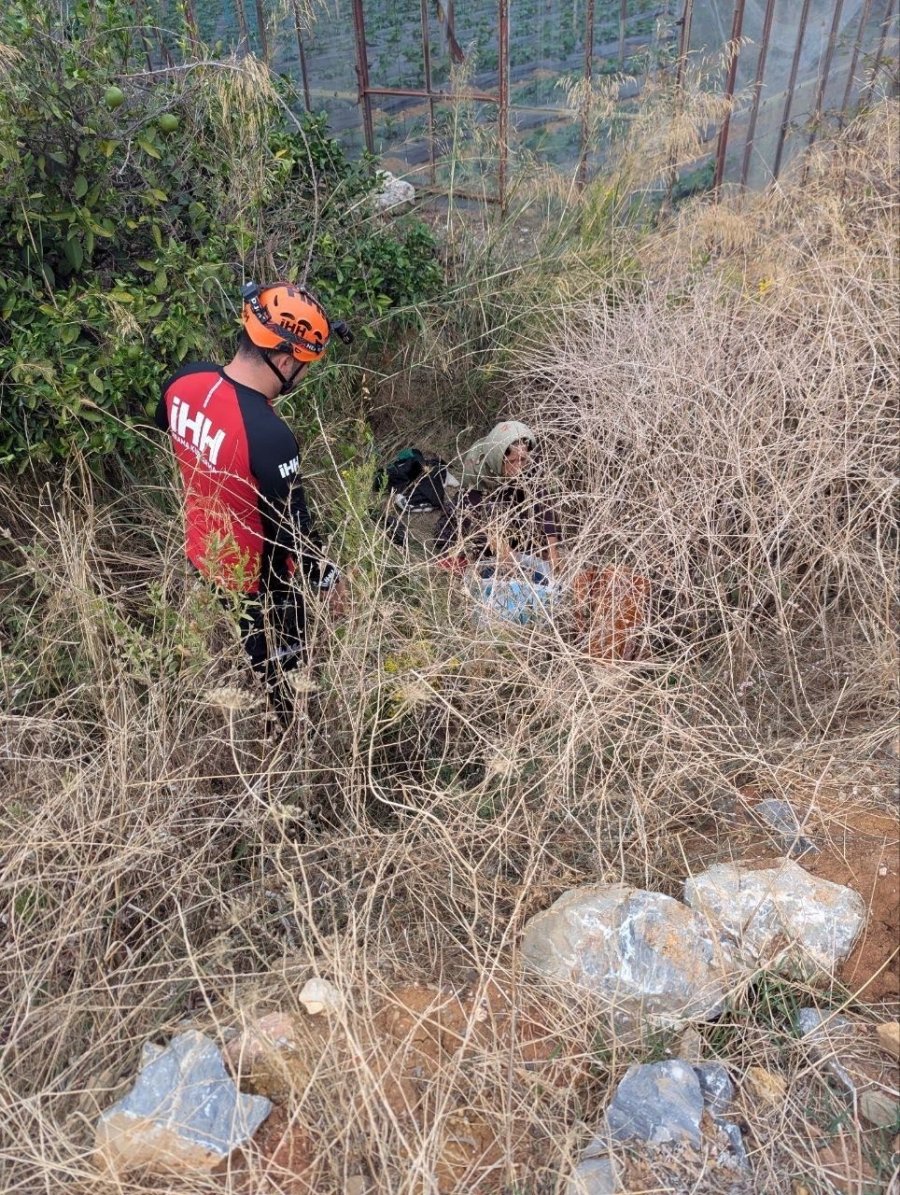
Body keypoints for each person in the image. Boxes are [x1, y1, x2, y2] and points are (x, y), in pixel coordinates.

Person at [155, 281, 350, 719]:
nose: (303, 376)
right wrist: (329, 577)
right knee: (283, 667)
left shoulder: (184, 381)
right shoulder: (270, 436)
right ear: (284, 360)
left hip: (202, 551)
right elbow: (292, 529)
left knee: (237, 645)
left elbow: (166, 427)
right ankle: (289, 725)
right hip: (259, 581)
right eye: (304, 367)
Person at [435, 420, 561, 624]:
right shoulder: (476, 469)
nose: (519, 467)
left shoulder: (528, 463)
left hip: (512, 504)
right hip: (484, 513)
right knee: (474, 545)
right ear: (499, 457)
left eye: (523, 460)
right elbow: (479, 518)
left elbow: (542, 503)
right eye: (513, 461)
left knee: (538, 554)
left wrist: (552, 550)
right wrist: (506, 557)